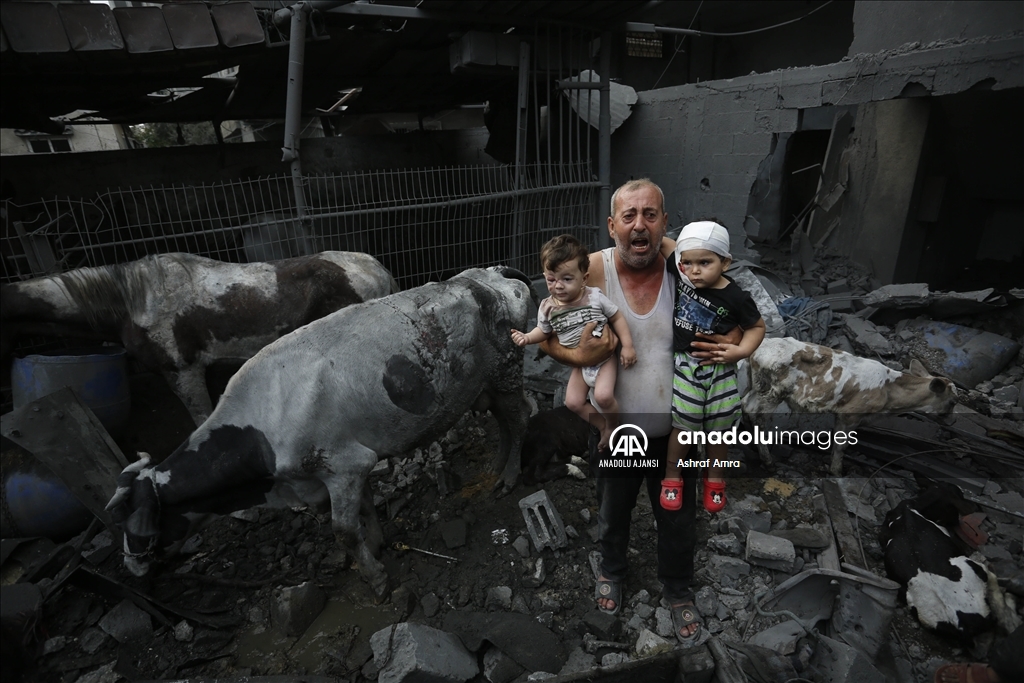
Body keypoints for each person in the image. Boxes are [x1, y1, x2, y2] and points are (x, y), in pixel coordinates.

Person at [540, 179, 740, 645]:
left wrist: (730, 344)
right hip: (617, 428)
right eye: (628, 216)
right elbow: (550, 334)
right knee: (613, 508)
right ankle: (611, 570)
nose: (639, 225)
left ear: (666, 225)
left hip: (677, 428)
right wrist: (583, 357)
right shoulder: (590, 272)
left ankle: (677, 589)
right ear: (611, 226)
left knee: (678, 515)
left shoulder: (686, 271)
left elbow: (737, 309)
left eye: (651, 215)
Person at [660, 221, 765, 513]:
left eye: (705, 263)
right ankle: (671, 477)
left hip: (720, 371)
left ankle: (715, 479)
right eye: (688, 263)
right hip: (686, 366)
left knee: (719, 431)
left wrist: (740, 351)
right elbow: (668, 245)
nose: (694, 270)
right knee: (683, 427)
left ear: (725, 262)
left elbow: (757, 326)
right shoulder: (683, 276)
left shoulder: (736, 297)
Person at [510, 234, 637, 449]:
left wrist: (627, 345)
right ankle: (602, 425)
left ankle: (614, 425)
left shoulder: (594, 297)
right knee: (572, 402)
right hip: (580, 364)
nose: (558, 286)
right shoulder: (548, 307)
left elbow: (616, 317)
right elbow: (543, 331)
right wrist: (527, 338)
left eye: (567, 279)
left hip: (604, 358)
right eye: (551, 279)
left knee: (604, 396)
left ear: (584, 278)